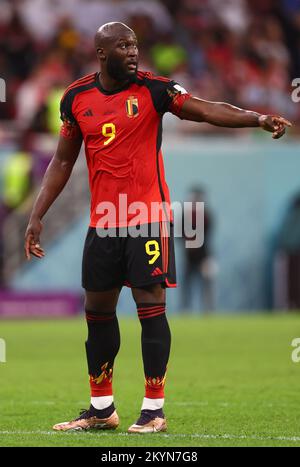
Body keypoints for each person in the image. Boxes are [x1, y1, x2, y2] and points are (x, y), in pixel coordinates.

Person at [24, 22, 291, 434]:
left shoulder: (155, 89)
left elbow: (205, 108)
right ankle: (101, 407)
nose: (133, 52)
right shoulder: (76, 98)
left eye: (135, 45)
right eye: (123, 46)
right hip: (103, 224)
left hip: (147, 218)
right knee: (97, 313)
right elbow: (62, 161)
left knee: (151, 309)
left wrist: (255, 118)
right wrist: (37, 213)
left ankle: (153, 409)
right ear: (102, 53)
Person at [181, 186, 215, 312]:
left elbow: (207, 237)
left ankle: (208, 310)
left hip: (203, 257)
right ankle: (185, 310)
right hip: (189, 258)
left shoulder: (206, 216)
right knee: (187, 287)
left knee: (206, 286)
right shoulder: (185, 216)